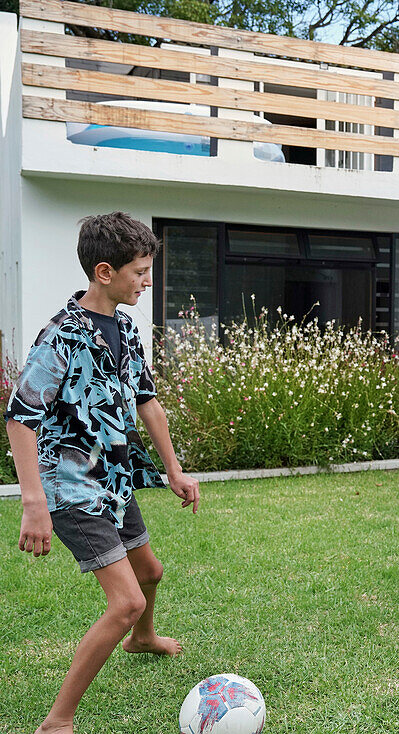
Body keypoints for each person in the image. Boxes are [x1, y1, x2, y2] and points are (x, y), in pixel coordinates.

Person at [6, 212, 200, 734]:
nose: (148, 281)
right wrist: (34, 503)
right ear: (104, 271)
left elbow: (148, 402)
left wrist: (175, 471)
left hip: (112, 479)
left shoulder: (127, 328)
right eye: (140, 272)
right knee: (126, 600)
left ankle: (142, 638)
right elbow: (20, 418)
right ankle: (57, 722)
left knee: (151, 573)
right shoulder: (62, 336)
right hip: (70, 485)